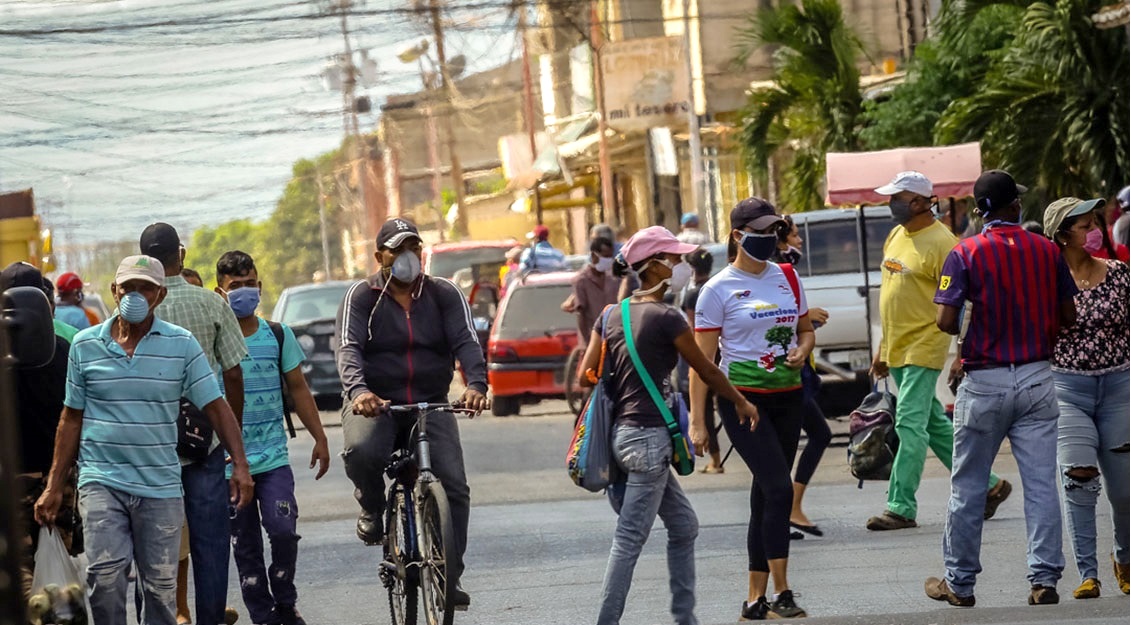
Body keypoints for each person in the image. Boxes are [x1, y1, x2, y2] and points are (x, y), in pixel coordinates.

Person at [33, 255, 254, 625]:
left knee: (160, 590)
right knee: (104, 579)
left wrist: (241, 465)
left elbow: (216, 407)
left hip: (160, 487)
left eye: (146, 288)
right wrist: (55, 485)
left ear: (160, 295)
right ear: (114, 291)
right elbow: (71, 419)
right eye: (129, 287)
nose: (136, 295)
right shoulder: (86, 346)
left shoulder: (180, 345)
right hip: (102, 481)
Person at [578, 225, 757, 625]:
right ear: (655, 267)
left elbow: (584, 374)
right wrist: (741, 401)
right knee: (628, 540)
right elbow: (706, 370)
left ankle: (684, 617)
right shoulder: (666, 317)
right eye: (674, 259)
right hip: (648, 440)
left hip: (621, 436)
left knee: (683, 525)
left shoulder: (611, 315)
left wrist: (620, 377)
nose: (680, 265)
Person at [927, 169, 1076, 607]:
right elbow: (1068, 316)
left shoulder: (965, 253)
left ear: (979, 211)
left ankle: (960, 583)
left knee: (968, 488)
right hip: (1035, 376)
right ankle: (1044, 579)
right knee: (1041, 485)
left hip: (985, 381)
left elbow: (945, 320)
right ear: (1014, 206)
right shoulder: (1047, 251)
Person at [336, 218, 490, 609]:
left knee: (454, 485)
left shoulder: (444, 294)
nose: (408, 257)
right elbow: (348, 349)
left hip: (430, 401)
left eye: (414, 248)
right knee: (363, 451)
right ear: (379, 256)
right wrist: (359, 392)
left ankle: (448, 575)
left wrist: (476, 385)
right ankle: (371, 505)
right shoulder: (361, 297)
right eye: (397, 249)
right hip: (376, 402)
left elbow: (466, 342)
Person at [689, 197, 816, 620]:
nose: (768, 240)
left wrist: (803, 349)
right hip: (743, 401)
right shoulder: (717, 289)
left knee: (766, 494)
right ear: (738, 236)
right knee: (779, 489)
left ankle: (753, 600)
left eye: (773, 232)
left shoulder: (788, 276)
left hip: (788, 396)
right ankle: (783, 592)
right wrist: (698, 422)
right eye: (759, 233)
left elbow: (804, 330)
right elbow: (701, 365)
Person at [869, 171, 1011, 531]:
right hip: (898, 347)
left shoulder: (944, 243)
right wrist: (883, 349)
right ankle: (991, 486)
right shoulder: (897, 235)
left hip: (924, 345)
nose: (892, 203)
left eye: (897, 197)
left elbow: (965, 301)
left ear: (919, 202)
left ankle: (900, 505)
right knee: (933, 424)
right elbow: (891, 295)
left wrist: (963, 352)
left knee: (909, 424)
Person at [140, 222, 249, 625]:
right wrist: (229, 437)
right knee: (210, 544)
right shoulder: (211, 304)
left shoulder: (134, 310)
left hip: (151, 447)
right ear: (180, 255)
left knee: (153, 545)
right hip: (205, 443)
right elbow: (234, 375)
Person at [216, 251, 331, 625]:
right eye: (235, 287)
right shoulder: (214, 339)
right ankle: (263, 615)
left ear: (260, 287)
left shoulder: (278, 335)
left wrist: (320, 438)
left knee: (283, 530)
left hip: (273, 458)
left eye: (250, 284)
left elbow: (298, 389)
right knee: (245, 546)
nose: (244, 292)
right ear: (221, 291)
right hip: (230, 464)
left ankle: (285, 600)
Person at [1042, 197, 1130, 599]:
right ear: (1062, 235)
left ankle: (1125, 559)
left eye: (1095, 222)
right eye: (1084, 224)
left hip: (1119, 386)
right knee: (1078, 479)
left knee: (1124, 487)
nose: (1094, 229)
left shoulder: (1119, 275)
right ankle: (1088, 573)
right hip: (1067, 388)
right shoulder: (1044, 280)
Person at [2, 262, 77, 599]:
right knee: (56, 570)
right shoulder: (66, 351)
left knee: (19, 570)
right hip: (57, 479)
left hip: (11, 479)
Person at [771, 215, 832, 538]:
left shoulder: (784, 270)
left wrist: (807, 321)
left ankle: (784, 511)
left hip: (795, 366)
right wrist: (805, 317)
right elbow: (772, 317)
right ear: (781, 241)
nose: (799, 241)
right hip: (782, 371)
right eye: (795, 235)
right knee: (814, 434)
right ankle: (788, 508)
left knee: (795, 440)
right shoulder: (778, 271)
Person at [677, 248, 723, 473]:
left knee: (704, 409)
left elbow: (695, 329)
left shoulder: (692, 295)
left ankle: (715, 460)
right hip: (724, 351)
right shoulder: (717, 287)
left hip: (703, 353)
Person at [563, 236, 619, 342]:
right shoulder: (581, 281)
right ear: (594, 256)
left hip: (614, 338)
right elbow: (581, 315)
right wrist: (586, 344)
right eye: (605, 257)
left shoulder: (613, 279)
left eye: (610, 257)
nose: (608, 260)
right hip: (593, 339)